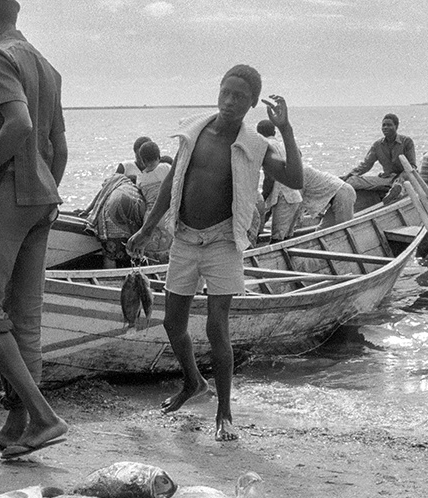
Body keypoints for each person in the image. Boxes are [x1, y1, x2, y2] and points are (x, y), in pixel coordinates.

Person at [126, 66, 301, 442]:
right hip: (186, 238)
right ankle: (193, 382)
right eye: (226, 92)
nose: (230, 101)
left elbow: (296, 180)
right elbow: (173, 181)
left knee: (215, 326)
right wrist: (146, 227)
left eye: (240, 96)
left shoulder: (254, 144)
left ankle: (225, 413)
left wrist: (285, 128)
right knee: (173, 323)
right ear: (218, 91)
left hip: (223, 240)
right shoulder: (194, 133)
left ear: (253, 103)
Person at [0, 0, 69, 459]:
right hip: (42, 198)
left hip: (7, 193)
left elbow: (18, 124)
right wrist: (45, 184)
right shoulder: (47, 66)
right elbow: (58, 145)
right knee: (24, 319)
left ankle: (43, 416)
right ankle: (20, 425)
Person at [256, 118, 355, 241]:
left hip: (341, 194)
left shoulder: (267, 147)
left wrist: (262, 203)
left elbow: (271, 181)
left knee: (343, 233)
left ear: (258, 133)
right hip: (336, 194)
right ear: (275, 132)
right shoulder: (283, 147)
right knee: (321, 233)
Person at [343, 112, 414, 203]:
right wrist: (349, 175)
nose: (385, 127)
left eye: (389, 125)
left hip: (404, 178)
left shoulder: (406, 142)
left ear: (396, 126)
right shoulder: (377, 145)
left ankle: (396, 191)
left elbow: (412, 166)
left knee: (402, 182)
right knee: (352, 181)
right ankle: (393, 192)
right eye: (383, 125)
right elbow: (366, 165)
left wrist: (400, 178)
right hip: (387, 179)